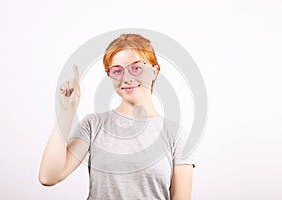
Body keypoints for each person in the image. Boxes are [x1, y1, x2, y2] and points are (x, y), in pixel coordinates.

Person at [39, 33, 196, 200]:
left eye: (136, 68)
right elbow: (49, 177)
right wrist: (66, 111)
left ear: (155, 71)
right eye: (117, 71)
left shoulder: (176, 135)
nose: (127, 78)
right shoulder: (93, 125)